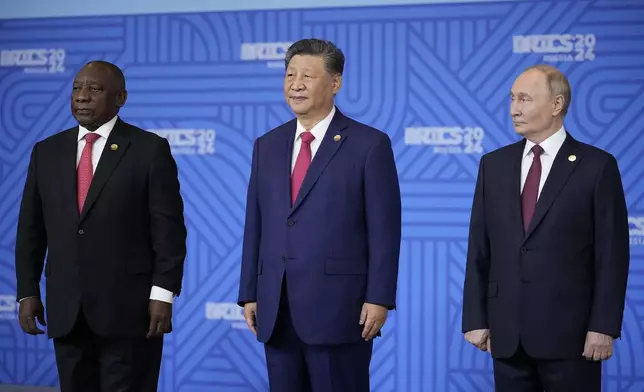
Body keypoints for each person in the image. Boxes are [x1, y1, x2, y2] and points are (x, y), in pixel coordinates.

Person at [237, 38, 401, 392]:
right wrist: (249, 290)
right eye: (290, 74)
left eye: (308, 76)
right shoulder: (267, 145)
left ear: (335, 82)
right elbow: (256, 223)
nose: (295, 84)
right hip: (276, 308)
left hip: (341, 309)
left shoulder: (369, 144)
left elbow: (385, 230)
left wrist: (379, 297)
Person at [14, 60, 187, 392]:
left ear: (120, 97)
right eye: (77, 88)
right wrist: (28, 291)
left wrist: (162, 294)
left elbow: (169, 232)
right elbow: (30, 231)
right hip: (67, 312)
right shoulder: (46, 152)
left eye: (94, 89)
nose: (82, 96)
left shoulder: (149, 150)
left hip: (131, 313)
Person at [462, 64, 630, 391]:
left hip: (572, 337)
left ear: (557, 105)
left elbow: (612, 254)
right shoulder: (493, 165)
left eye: (524, 99)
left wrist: (603, 327)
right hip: (507, 337)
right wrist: (475, 318)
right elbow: (479, 248)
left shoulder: (596, 166)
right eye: (512, 99)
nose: (513, 109)